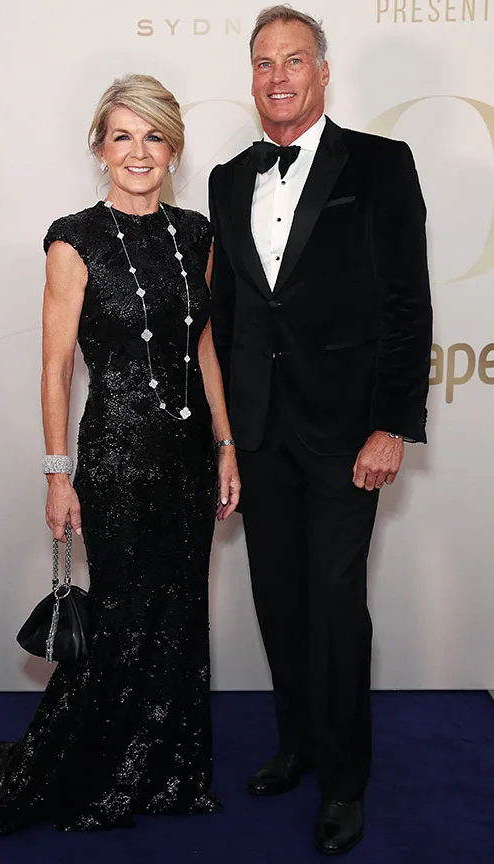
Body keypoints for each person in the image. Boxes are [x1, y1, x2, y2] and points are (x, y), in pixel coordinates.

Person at [0, 73, 240, 835]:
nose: (139, 150)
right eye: (122, 135)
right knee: (120, 615)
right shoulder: (73, 236)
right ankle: (96, 767)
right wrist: (58, 476)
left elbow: (204, 347)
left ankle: (166, 770)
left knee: (180, 611)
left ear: (174, 147)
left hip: (187, 453)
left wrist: (225, 443)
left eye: (153, 135)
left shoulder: (196, 235)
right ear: (99, 147)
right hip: (116, 454)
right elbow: (55, 368)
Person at [209, 6, 432, 855]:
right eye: (263, 62)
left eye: (292, 60)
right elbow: (229, 319)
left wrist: (392, 426)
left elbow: (407, 306)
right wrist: (224, 438)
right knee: (279, 600)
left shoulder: (379, 164)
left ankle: (344, 784)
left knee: (336, 607)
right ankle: (296, 745)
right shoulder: (228, 178)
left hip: (346, 434)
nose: (276, 76)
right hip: (259, 430)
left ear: (322, 71)